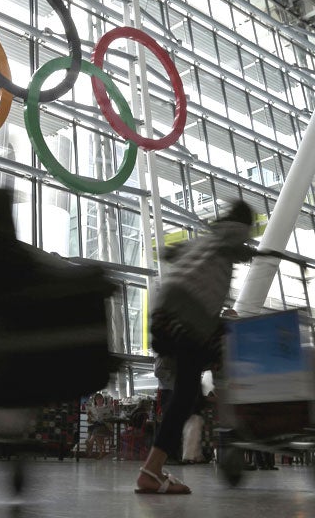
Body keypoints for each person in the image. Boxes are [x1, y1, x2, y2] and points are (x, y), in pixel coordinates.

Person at [134, 200, 253, 495]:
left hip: (165, 313)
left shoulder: (205, 239)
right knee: (189, 392)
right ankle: (151, 471)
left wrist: (176, 252)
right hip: (191, 317)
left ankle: (153, 468)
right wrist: (258, 252)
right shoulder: (233, 236)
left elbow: (172, 253)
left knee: (186, 394)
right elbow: (238, 246)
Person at [85, 392, 112, 459]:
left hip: (104, 426)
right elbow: (90, 419)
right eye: (97, 399)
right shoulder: (93, 408)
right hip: (94, 424)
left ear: (103, 400)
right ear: (95, 401)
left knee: (96, 433)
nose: (99, 401)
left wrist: (105, 416)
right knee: (91, 433)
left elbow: (110, 417)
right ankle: (90, 453)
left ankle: (90, 444)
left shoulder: (106, 407)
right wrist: (89, 416)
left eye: (100, 399)